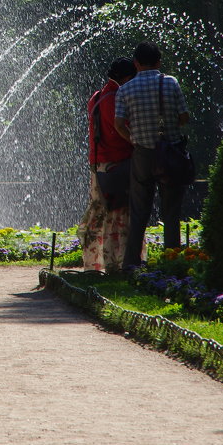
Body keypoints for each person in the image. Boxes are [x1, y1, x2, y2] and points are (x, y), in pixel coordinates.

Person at [114, 42, 190, 270]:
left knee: (139, 210)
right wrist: (169, 129)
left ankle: (131, 263)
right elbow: (184, 116)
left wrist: (134, 139)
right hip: (171, 152)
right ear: (159, 62)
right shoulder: (170, 83)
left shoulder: (125, 89)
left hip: (143, 154)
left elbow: (118, 124)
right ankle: (172, 262)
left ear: (136, 63)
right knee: (171, 210)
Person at [80, 57, 139, 273]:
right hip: (116, 164)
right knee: (119, 215)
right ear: (125, 78)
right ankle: (118, 263)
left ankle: (93, 264)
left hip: (98, 165)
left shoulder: (97, 96)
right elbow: (119, 130)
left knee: (98, 213)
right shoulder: (115, 98)